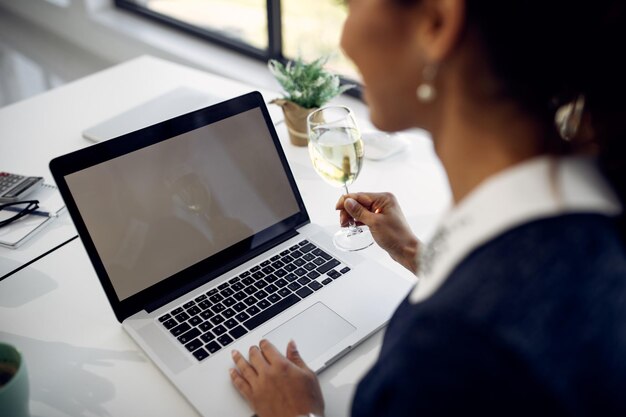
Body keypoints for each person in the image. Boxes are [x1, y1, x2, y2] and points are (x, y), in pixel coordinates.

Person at [228, 0, 626, 415]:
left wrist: (296, 413)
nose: (344, 39)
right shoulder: (597, 208)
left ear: (437, 22)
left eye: (354, 4)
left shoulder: (446, 350)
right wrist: (416, 255)